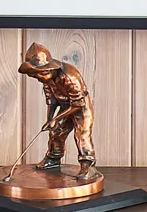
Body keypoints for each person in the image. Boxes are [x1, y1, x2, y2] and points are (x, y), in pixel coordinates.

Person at [19, 43, 95, 171]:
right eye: (35, 75)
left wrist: (56, 118)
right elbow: (52, 101)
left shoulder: (70, 77)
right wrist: (50, 119)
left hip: (81, 108)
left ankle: (87, 165)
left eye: (41, 74)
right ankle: (53, 159)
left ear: (49, 69)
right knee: (56, 132)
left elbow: (78, 104)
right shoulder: (47, 80)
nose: (39, 78)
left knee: (82, 134)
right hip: (65, 106)